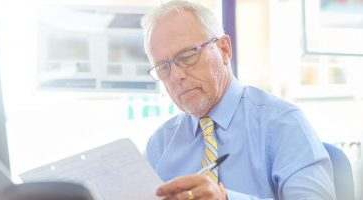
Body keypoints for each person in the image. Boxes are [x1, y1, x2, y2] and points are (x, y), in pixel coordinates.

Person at [140, 0, 336, 199]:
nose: (175, 76)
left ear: (224, 50)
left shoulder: (282, 122)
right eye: (163, 67)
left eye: (188, 56)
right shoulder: (160, 143)